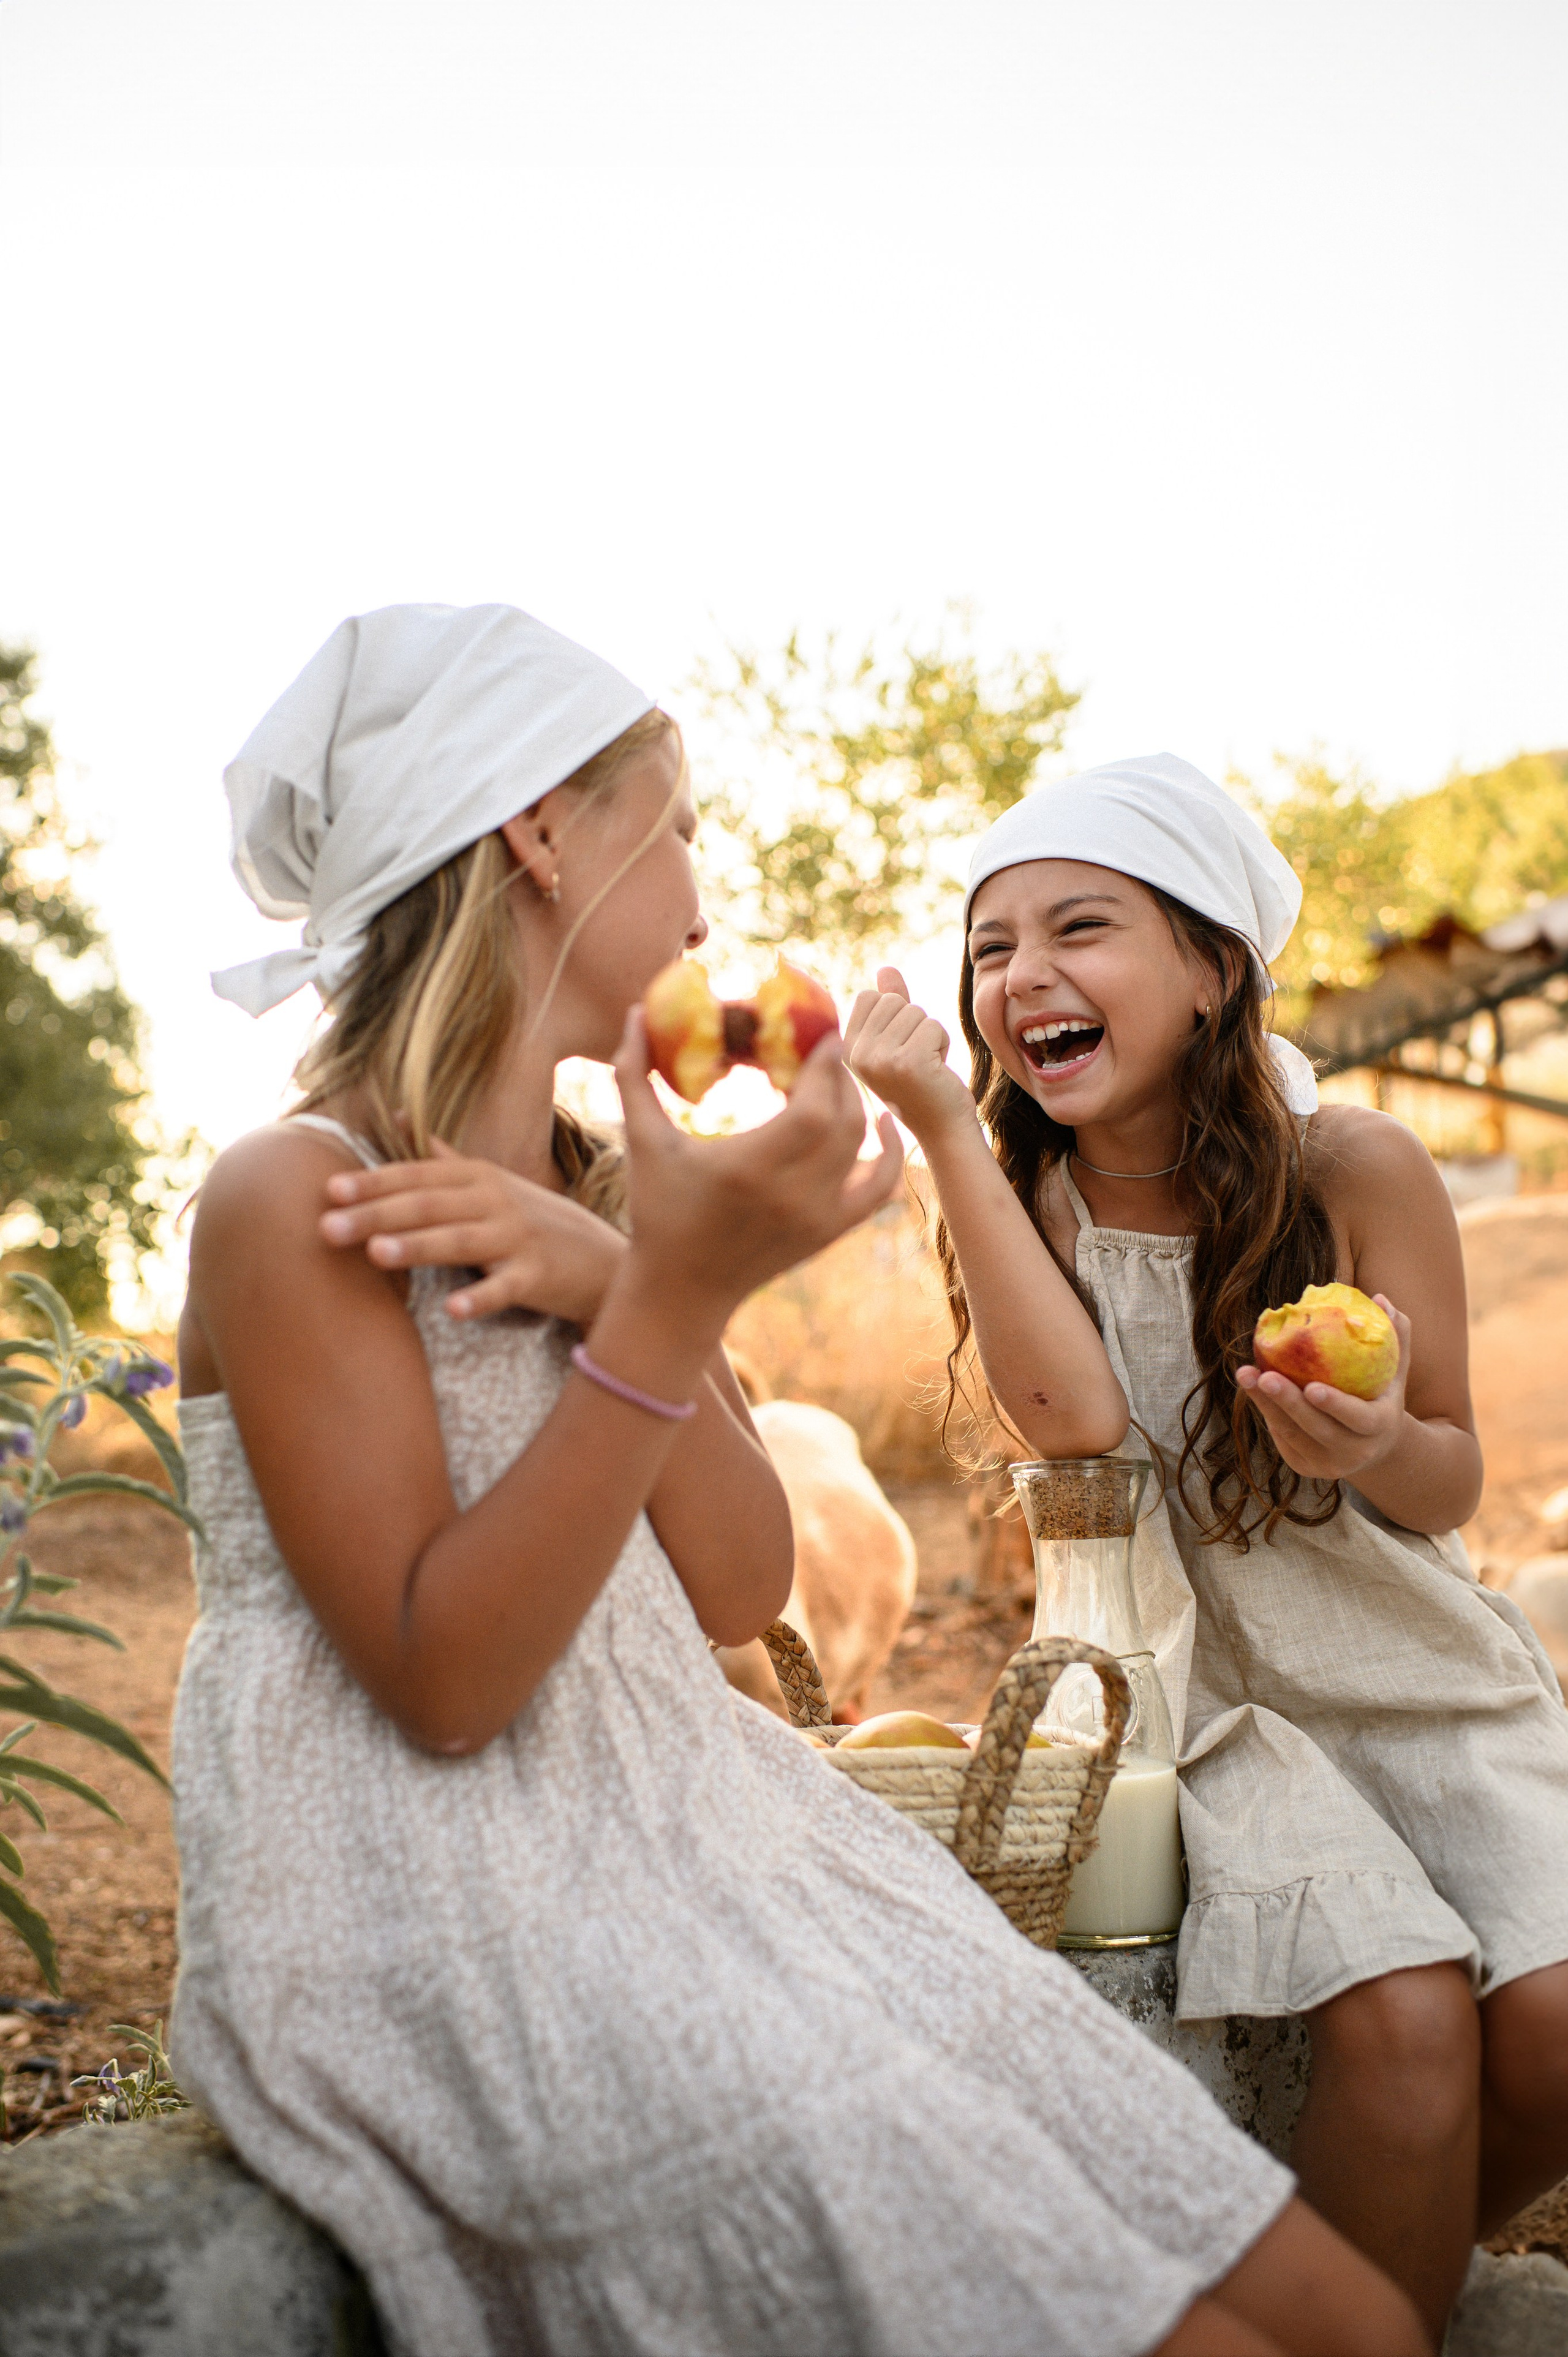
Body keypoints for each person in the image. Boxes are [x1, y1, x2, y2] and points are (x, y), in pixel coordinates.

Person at [174, 616, 1424, 2357]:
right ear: (541, 832)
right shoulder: (295, 1196)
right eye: (672, 819)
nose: (703, 875)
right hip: (460, 1905)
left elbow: (740, 1582)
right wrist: (673, 1300)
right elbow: (448, 1682)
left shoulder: (610, 1181)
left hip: (701, 1837)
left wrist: (630, 1278)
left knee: (1357, 2325)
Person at [845, 753, 1568, 2344]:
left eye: (1080, 928)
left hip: (1418, 1668)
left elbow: (1452, 1477)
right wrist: (943, 1143)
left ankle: (1323, 2308)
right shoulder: (1020, 1188)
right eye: (989, 950)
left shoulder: (1354, 1168)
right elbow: (1078, 1429)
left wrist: (1380, 1447)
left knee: (1559, 2033)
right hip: (1206, 1698)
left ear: (1212, 968)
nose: (1023, 974)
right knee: (1401, 2020)